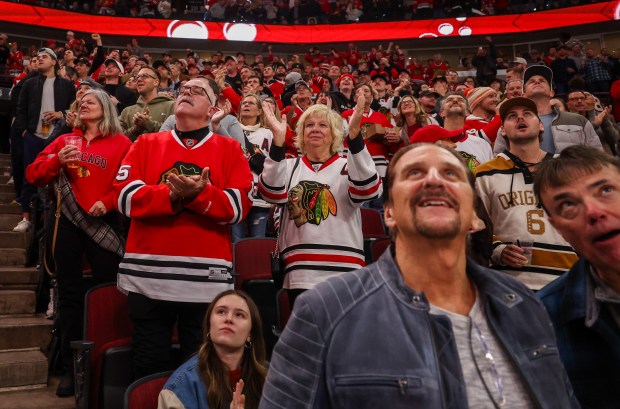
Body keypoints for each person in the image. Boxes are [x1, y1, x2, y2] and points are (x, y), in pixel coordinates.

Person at [259, 142, 578, 409]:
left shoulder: (525, 307)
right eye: (415, 173)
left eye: (451, 174)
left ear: (474, 216)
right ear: (389, 213)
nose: (434, 181)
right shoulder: (324, 310)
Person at [113, 78, 253, 379]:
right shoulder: (145, 143)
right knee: (148, 367)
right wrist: (174, 196)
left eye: (197, 91)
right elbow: (124, 198)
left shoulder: (230, 149)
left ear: (213, 109)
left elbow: (238, 207)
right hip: (147, 277)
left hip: (206, 280)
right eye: (183, 90)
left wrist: (198, 194)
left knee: (201, 372)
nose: (186, 93)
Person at [25, 89, 132, 396]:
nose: (83, 104)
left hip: (105, 224)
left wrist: (109, 202)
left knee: (110, 292)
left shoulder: (122, 143)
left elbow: (127, 183)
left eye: (91, 101)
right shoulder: (63, 141)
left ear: (105, 110)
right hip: (68, 224)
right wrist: (56, 161)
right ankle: (72, 371)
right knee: (69, 296)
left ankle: (107, 363)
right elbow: (33, 174)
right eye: (80, 101)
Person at [258, 93, 382, 307]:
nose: (315, 129)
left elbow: (369, 189)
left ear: (334, 134)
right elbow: (270, 192)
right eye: (309, 125)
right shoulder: (288, 166)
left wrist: (354, 136)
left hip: (346, 272)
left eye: (323, 125)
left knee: (342, 340)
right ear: (301, 133)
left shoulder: (347, 165)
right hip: (300, 271)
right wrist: (278, 144)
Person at [535, 146, 620, 409]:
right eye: (568, 205)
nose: (594, 211)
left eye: (605, 190)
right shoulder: (541, 321)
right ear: (557, 228)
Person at [475, 97, 578, 289]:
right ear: (503, 130)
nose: (520, 118)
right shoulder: (485, 173)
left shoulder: (567, 167)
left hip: (567, 278)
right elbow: (477, 223)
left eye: (527, 114)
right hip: (510, 283)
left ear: (540, 126)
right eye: (512, 116)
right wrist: (497, 248)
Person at [159, 290, 267, 409]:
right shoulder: (181, 385)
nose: (229, 319)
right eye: (221, 312)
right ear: (209, 327)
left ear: (250, 334)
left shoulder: (270, 377)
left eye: (239, 314)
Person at [13, 47, 76, 232]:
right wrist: (25, 131)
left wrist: (60, 114)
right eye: (38, 57)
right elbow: (20, 108)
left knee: (56, 177)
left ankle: (52, 217)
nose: (40, 59)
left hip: (57, 137)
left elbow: (74, 109)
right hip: (33, 136)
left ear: (55, 62)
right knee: (29, 176)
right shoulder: (29, 83)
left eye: (45, 57)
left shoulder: (67, 85)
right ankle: (26, 217)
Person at [493, 65, 602, 155]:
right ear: (524, 94)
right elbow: (499, 159)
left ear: (552, 92)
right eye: (531, 81)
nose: (537, 82)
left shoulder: (578, 120)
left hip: (574, 179)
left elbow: (597, 155)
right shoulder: (510, 123)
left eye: (542, 81)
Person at [232, 94, 274, 243]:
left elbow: (271, 164)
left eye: (251, 103)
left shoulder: (268, 133)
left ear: (259, 111)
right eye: (243, 103)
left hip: (259, 195)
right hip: (236, 192)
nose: (246, 105)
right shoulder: (229, 131)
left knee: (258, 243)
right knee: (235, 242)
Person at [119, 65, 175, 141]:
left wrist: (149, 125)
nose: (139, 79)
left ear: (156, 82)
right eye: (137, 77)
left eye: (144, 76)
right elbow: (118, 139)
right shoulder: (126, 111)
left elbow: (176, 133)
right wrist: (136, 130)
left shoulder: (171, 105)